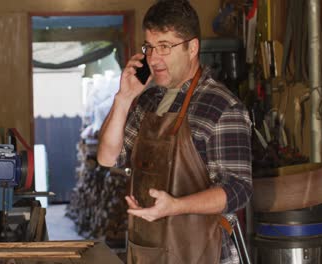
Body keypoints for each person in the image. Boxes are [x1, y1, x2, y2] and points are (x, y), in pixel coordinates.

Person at [97, 0, 252, 263]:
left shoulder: (222, 106)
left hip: (202, 252)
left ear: (192, 48)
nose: (153, 58)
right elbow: (108, 157)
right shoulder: (149, 101)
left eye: (165, 47)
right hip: (150, 250)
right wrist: (123, 99)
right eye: (149, 47)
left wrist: (176, 206)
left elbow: (238, 189)